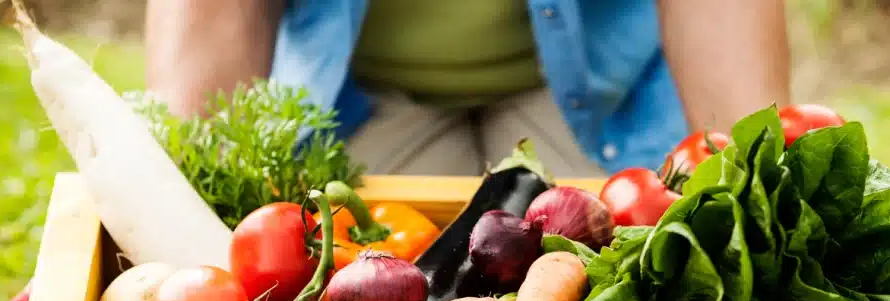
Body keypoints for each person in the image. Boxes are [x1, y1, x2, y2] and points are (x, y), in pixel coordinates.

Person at [145, 0, 791, 178]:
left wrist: (760, 189)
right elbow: (217, 9)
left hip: (599, 90)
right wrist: (182, 201)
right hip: (362, 93)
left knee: (638, 298)